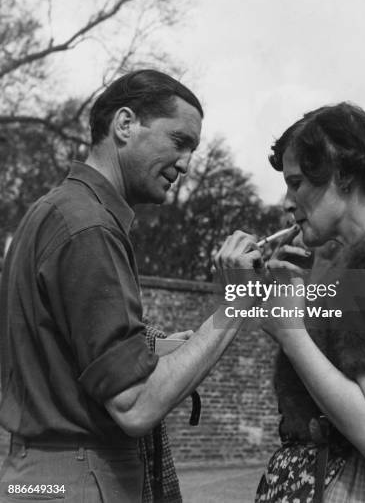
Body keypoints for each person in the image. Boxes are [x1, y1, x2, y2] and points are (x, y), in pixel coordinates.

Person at [0, 69, 260, 502]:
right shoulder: (89, 228)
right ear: (124, 124)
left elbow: (66, 355)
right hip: (83, 477)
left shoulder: (50, 212)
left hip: (32, 477)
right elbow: (135, 405)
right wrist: (235, 307)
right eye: (179, 142)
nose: (186, 164)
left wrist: (156, 351)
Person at [215, 102, 365, 502]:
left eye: (296, 183)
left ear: (343, 174)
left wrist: (290, 332)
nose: (287, 202)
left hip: (361, 486)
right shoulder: (354, 258)